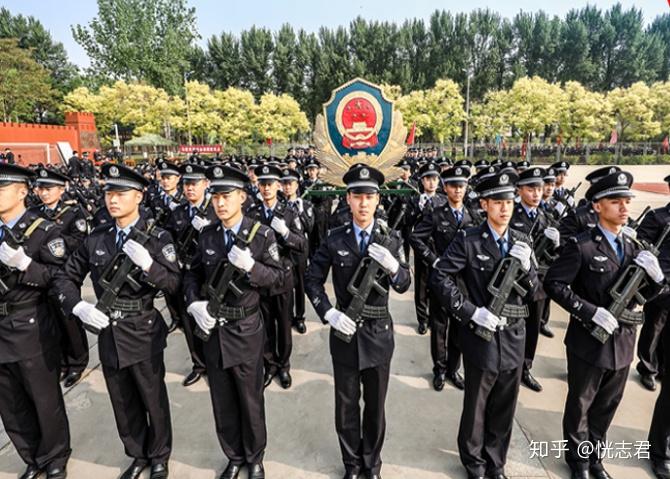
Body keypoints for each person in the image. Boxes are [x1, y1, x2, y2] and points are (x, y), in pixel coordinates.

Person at [55, 163, 181, 479]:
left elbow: (174, 284)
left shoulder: (157, 237)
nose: (113, 199)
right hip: (108, 329)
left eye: (121, 193)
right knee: (122, 402)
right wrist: (77, 306)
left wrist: (150, 265)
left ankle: (159, 455)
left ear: (138, 196)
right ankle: (137, 454)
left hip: (143, 328)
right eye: (109, 192)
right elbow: (65, 277)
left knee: (152, 397)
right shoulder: (97, 238)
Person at [544, 171, 665, 479]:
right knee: (581, 405)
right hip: (588, 342)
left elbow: (642, 296)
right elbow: (555, 284)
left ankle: (595, 457)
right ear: (597, 206)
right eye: (615, 201)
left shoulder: (635, 248)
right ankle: (579, 463)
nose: (624, 208)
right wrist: (589, 312)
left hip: (623, 343)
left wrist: (657, 281)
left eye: (626, 201)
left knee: (607, 406)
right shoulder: (582, 246)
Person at [305, 165, 411, 479]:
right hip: (345, 333)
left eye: (369, 196)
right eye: (357, 196)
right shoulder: (334, 238)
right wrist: (328, 312)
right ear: (348, 199)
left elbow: (404, 283)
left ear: (378, 200)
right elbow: (312, 279)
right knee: (346, 406)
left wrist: (394, 267)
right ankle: (352, 464)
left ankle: (372, 464)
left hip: (379, 335)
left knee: (376, 408)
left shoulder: (390, 239)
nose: (363, 203)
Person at [431, 170, 538, 479]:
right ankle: (474, 461)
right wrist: (468, 311)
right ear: (484, 206)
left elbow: (534, 292)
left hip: (514, 335)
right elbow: (440, 276)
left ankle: (496, 462)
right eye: (497, 202)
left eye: (509, 201)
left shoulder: (522, 240)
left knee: (505, 404)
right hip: (481, 335)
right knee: (477, 403)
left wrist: (530, 268)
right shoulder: (469, 239)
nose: (505, 208)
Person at [183, 164, 283, 479]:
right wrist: (194, 303)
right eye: (215, 196)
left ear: (242, 196)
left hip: (245, 330)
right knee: (222, 399)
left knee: (250, 399)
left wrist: (253, 267)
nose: (220, 203)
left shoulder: (261, 234)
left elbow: (280, 280)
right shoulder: (208, 234)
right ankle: (234, 456)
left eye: (226, 196)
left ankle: (254, 458)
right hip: (214, 330)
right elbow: (192, 273)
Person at [0, 164, 71, 479]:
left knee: (43, 397)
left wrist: (26, 265)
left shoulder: (44, 230)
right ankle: (31, 456)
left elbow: (60, 278)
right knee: (9, 402)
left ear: (22, 192)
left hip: (29, 324)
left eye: (2, 189)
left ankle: (55, 455)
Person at [410, 165, 476, 391]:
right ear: (445, 188)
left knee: (459, 328)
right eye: (454, 186)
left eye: (462, 186)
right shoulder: (436, 214)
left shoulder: (473, 215)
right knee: (439, 327)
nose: (458, 190)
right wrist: (433, 260)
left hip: (464, 282)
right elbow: (416, 238)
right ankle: (439, 369)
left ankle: (453, 369)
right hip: (441, 279)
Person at [246, 164, 306, 389]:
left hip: (282, 277)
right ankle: (269, 364)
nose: (266, 188)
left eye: (270, 184)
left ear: (278, 185)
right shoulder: (252, 213)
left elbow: (302, 244)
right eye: (262, 184)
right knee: (265, 325)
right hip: (261, 277)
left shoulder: (289, 213)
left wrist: (286, 233)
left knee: (283, 323)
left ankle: (283, 365)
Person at [30, 167, 89, 388]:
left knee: (69, 321)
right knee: (50, 322)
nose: (44, 193)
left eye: (49, 188)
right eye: (40, 189)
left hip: (66, 273)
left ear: (61, 189)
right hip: (39, 274)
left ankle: (77, 362)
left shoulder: (73, 213)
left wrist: (52, 242)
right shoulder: (34, 213)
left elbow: (80, 242)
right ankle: (62, 362)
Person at [163, 162, 217, 386]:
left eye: (194, 183)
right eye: (186, 184)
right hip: (187, 275)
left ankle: (215, 364)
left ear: (206, 184)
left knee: (214, 319)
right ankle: (199, 364)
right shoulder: (178, 212)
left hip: (212, 274)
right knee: (189, 321)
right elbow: (168, 242)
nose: (189, 188)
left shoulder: (216, 208)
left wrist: (210, 226)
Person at [409, 162, 446, 335]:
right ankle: (422, 319)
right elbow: (408, 225)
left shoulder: (444, 201)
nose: (431, 183)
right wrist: (419, 210)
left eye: (434, 179)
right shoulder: (415, 200)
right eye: (428, 179)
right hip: (421, 247)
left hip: (439, 248)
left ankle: (434, 317)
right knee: (422, 284)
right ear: (422, 181)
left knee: (437, 283)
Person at [280, 167, 314, 334]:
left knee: (300, 285)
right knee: (285, 286)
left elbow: (310, 227)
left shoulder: (305, 204)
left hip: (300, 252)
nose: (287, 187)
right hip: (283, 251)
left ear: (296, 184)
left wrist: (301, 212)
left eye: (290, 183)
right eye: (284, 184)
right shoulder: (279, 205)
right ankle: (287, 316)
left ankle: (299, 317)